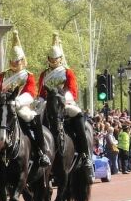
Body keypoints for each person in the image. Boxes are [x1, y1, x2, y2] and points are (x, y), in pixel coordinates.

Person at [0, 30, 51, 167]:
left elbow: (30, 92)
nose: (15, 63)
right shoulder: (4, 75)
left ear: (22, 61)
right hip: (4, 105)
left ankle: (40, 151)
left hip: (21, 106)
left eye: (18, 61)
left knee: (32, 119)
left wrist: (17, 102)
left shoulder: (28, 76)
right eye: (13, 61)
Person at [38, 32, 93, 179]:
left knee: (78, 116)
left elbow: (73, 91)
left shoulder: (67, 72)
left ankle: (85, 155)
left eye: (55, 58)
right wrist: (42, 101)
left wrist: (62, 99)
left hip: (65, 102)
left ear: (60, 58)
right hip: (49, 103)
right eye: (51, 58)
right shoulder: (44, 74)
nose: (53, 60)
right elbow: (41, 92)